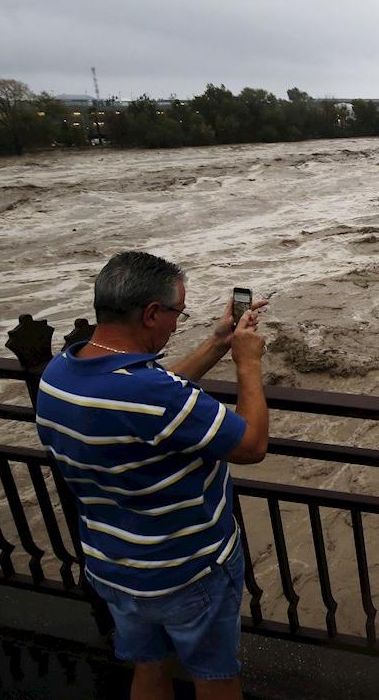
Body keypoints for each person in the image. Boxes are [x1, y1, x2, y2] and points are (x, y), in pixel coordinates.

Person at [35, 251, 269, 700]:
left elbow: (157, 401)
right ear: (150, 313)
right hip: (187, 570)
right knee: (215, 679)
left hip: (114, 567)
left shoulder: (60, 374)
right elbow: (252, 444)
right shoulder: (152, 394)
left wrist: (218, 343)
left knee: (149, 669)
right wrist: (247, 363)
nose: (177, 324)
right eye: (177, 312)